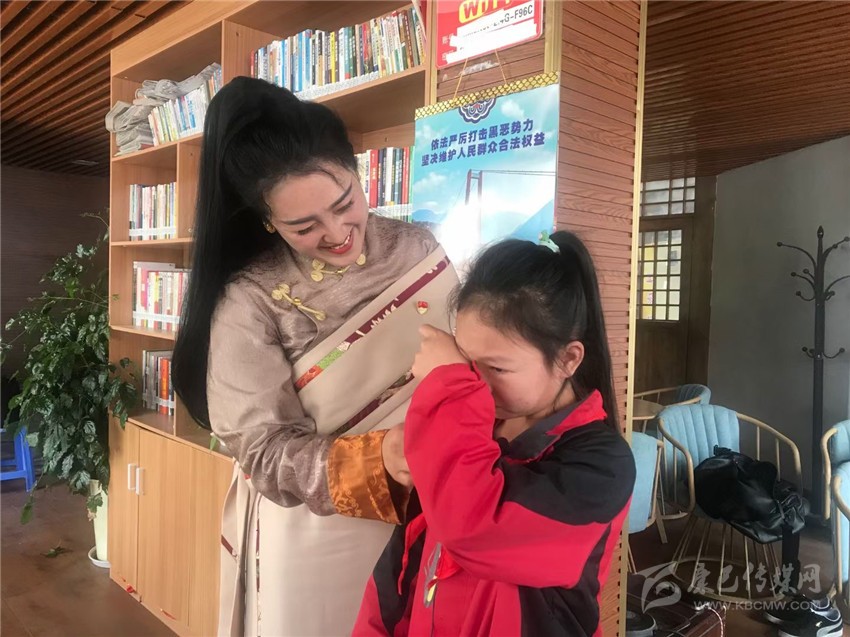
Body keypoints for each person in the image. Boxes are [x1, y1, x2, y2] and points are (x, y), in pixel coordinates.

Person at [171, 77, 458, 637]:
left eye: (345, 203)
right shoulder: (250, 299)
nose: (337, 233)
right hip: (322, 530)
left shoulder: (419, 247)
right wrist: (382, 459)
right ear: (267, 221)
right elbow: (263, 448)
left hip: (446, 502)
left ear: (357, 171)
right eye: (304, 227)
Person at [354, 232, 637, 636]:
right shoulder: (469, 429)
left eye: (498, 368)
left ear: (568, 359)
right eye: (466, 362)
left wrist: (449, 385)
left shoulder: (603, 467)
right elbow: (400, 569)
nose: (477, 384)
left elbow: (471, 528)